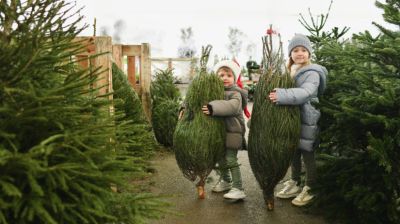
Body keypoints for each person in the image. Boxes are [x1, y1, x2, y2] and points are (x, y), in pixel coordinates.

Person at [268, 34, 328, 206]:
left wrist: (282, 95)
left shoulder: (313, 73)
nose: (299, 53)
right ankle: (294, 182)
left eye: (303, 50)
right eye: (295, 50)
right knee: (293, 151)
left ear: (309, 53)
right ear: (290, 54)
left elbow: (306, 93)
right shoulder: (289, 71)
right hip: (292, 119)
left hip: (307, 118)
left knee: (308, 153)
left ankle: (311, 187)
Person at [202, 60, 249, 200]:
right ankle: (226, 181)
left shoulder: (236, 93)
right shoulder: (214, 92)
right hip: (219, 132)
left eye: (228, 75)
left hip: (233, 131)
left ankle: (238, 188)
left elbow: (232, 107)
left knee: (230, 159)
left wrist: (212, 108)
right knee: (220, 158)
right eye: (221, 75)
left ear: (234, 78)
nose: (225, 78)